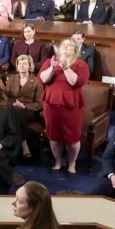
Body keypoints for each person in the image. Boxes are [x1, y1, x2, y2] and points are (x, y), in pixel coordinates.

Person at [38, 37, 89, 174]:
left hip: (71, 106)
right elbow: (42, 79)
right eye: (64, 45)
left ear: (75, 50)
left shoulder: (80, 65)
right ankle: (58, 161)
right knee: (54, 136)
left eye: (69, 46)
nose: (66, 48)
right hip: (51, 104)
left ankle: (72, 163)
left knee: (72, 137)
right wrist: (53, 67)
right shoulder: (50, 62)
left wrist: (65, 67)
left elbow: (75, 82)